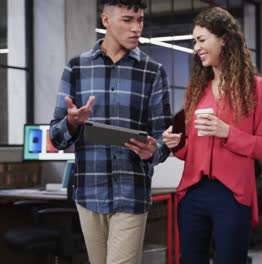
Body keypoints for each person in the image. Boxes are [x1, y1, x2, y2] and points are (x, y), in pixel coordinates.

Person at [49, 0, 172, 263]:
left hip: (132, 192)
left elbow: (164, 137)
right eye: (128, 20)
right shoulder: (77, 68)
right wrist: (71, 123)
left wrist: (156, 149)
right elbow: (56, 137)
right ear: (106, 20)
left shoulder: (153, 72)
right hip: (89, 192)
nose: (136, 27)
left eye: (140, 20)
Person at [163, 7, 262, 264]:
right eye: (194, 42)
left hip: (232, 194)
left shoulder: (255, 87)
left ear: (223, 39)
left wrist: (227, 133)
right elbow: (190, 149)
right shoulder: (196, 89)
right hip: (193, 192)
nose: (196, 47)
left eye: (201, 40)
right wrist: (176, 145)